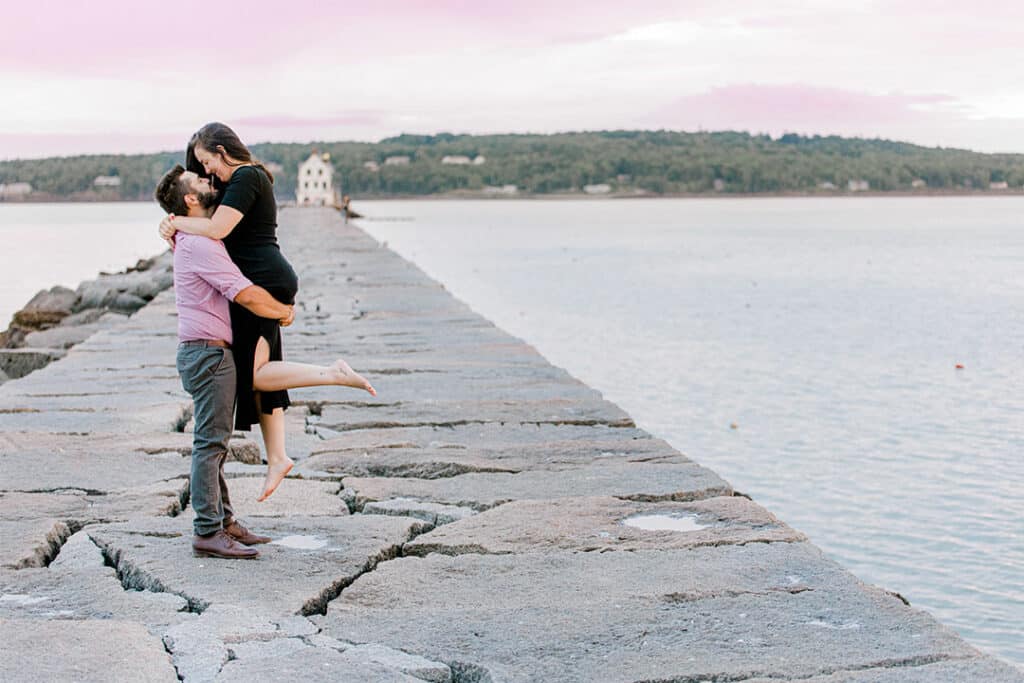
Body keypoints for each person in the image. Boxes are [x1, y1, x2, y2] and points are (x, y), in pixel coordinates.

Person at [158, 127, 376, 503]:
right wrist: (174, 223)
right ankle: (277, 457)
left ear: (223, 151)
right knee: (263, 375)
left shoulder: (247, 176)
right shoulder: (237, 182)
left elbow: (216, 228)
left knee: (259, 373)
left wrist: (175, 222)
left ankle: (333, 374)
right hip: (263, 277)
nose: (209, 171)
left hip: (260, 280)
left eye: (208, 162)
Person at [155, 164, 294, 558]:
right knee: (210, 443)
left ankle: (224, 521)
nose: (208, 181)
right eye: (199, 181)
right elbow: (244, 294)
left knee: (216, 443)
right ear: (190, 200)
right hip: (208, 353)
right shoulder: (199, 244)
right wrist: (282, 311)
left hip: (208, 351)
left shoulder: (195, 237)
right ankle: (206, 530)